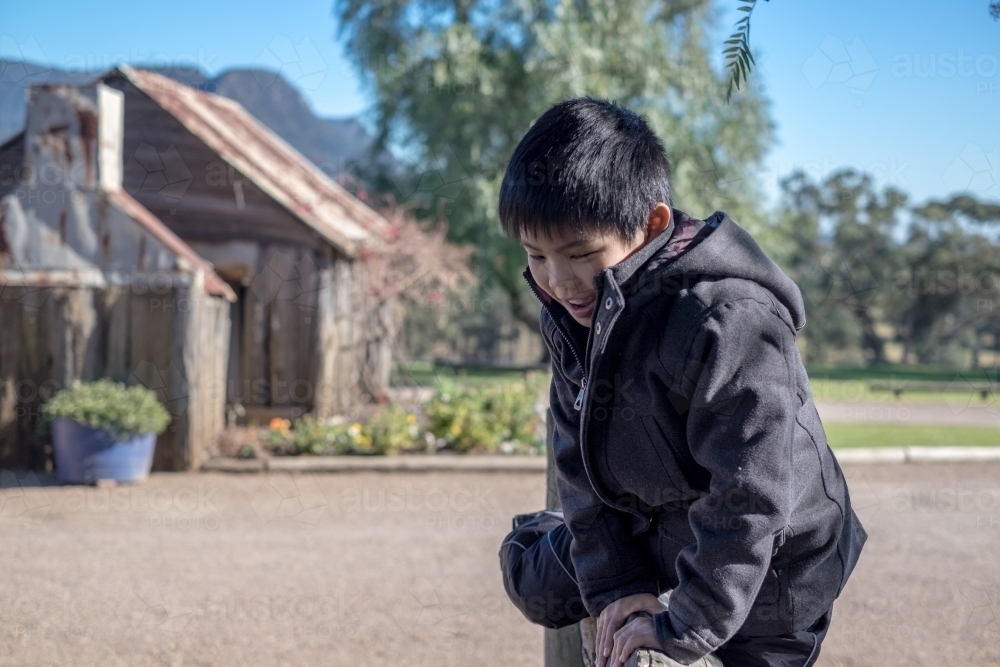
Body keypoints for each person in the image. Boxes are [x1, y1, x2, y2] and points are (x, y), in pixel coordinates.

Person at [496, 98, 867, 667]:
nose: (557, 280)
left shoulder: (731, 320)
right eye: (536, 255)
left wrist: (681, 629)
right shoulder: (573, 311)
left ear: (652, 226)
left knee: (738, 645)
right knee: (534, 577)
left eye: (579, 254)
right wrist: (619, 586)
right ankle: (567, 543)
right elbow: (574, 457)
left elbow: (750, 498)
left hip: (773, 555)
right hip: (654, 521)